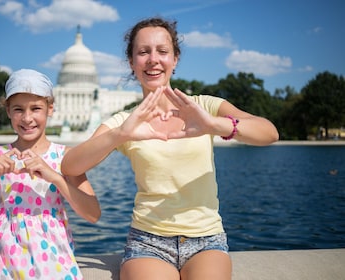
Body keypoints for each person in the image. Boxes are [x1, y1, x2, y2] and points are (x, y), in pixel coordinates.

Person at [61, 17, 279, 280]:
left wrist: (213, 124)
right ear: (131, 62)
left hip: (206, 240)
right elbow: (70, 165)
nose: (153, 59)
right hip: (147, 243)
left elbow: (269, 132)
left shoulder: (204, 106)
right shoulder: (124, 122)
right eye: (143, 52)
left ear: (175, 59)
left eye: (162, 51)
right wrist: (120, 134)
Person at [0, 69, 101, 280]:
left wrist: (55, 177)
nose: (27, 118)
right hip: (1, 249)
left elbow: (93, 214)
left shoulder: (65, 157)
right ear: (8, 111)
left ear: (50, 109)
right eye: (18, 109)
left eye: (36, 108)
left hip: (51, 248)